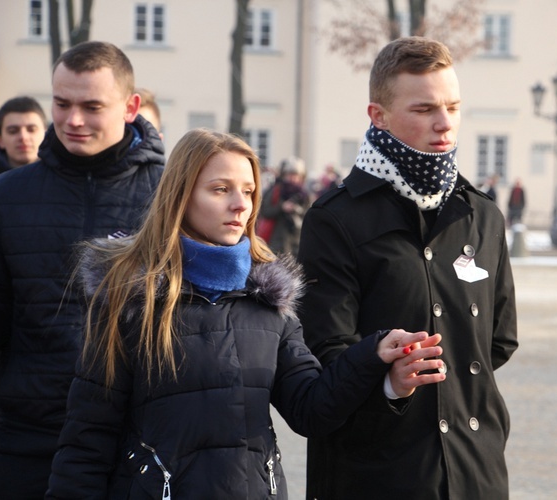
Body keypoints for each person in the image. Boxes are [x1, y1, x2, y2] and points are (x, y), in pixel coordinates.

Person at [45, 128, 444, 499]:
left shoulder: (268, 301)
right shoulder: (133, 299)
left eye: (250, 191)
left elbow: (311, 409)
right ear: (181, 196)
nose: (241, 205)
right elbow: (87, 439)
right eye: (221, 190)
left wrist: (374, 357)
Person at [297, 36, 518, 499]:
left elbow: (497, 341)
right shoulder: (334, 218)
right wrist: (390, 385)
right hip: (375, 472)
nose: (444, 124)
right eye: (424, 110)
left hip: (475, 469)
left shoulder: (482, 215)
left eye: (453, 108)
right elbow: (325, 356)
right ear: (378, 116)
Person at [0, 40, 165, 498]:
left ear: (131, 106)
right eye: (62, 103)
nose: (73, 120)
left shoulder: (171, 197)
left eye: (92, 106)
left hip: (140, 438)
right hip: (28, 437)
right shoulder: (6, 196)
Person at [258, 156, 310, 254]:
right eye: (290, 174)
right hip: (276, 242)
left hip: (297, 242)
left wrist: (296, 210)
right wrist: (282, 207)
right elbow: (265, 211)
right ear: (284, 175)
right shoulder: (275, 191)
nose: (293, 178)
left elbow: (309, 215)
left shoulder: (304, 195)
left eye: (296, 175)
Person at [0, 96, 48, 176]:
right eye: (13, 131)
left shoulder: (64, 177)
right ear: (0, 140)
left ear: (46, 135)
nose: (23, 137)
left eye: (31, 130)